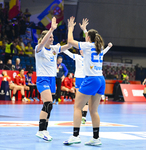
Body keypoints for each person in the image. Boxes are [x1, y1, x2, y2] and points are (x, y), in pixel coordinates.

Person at [63, 16, 112, 146]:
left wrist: (70, 28)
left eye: (86, 36)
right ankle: (96, 139)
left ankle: (75, 136)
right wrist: (85, 30)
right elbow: (91, 39)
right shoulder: (99, 46)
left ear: (88, 38)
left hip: (91, 79)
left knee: (77, 107)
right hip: (101, 80)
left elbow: (70, 40)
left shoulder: (87, 46)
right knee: (93, 110)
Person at [35, 17, 71, 141]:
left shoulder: (55, 49)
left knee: (50, 106)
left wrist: (70, 30)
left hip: (52, 80)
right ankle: (41, 130)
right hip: (42, 79)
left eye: (52, 37)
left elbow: (68, 46)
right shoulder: (39, 49)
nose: (52, 39)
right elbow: (42, 42)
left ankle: (44, 130)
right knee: (48, 103)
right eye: (50, 37)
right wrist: (51, 29)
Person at [62, 18, 89, 124]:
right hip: (78, 78)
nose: (81, 50)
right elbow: (68, 53)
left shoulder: (89, 56)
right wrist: (61, 48)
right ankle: (79, 115)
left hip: (86, 78)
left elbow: (89, 41)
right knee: (79, 98)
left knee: (85, 99)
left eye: (83, 49)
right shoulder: (77, 57)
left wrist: (84, 30)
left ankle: (84, 117)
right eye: (80, 49)